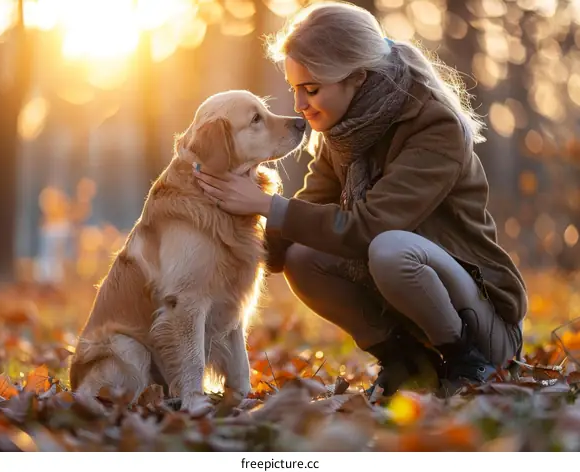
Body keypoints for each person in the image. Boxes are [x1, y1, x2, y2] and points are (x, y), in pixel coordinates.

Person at [194, 1, 527, 397]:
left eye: (311, 89)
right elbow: (300, 221)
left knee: (390, 249)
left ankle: (467, 363)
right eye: (294, 88)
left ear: (357, 78)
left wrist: (266, 204)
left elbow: (371, 228)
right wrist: (204, 258)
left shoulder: (435, 126)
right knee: (302, 255)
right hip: (414, 304)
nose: (300, 105)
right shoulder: (345, 131)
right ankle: (406, 363)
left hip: (485, 326)